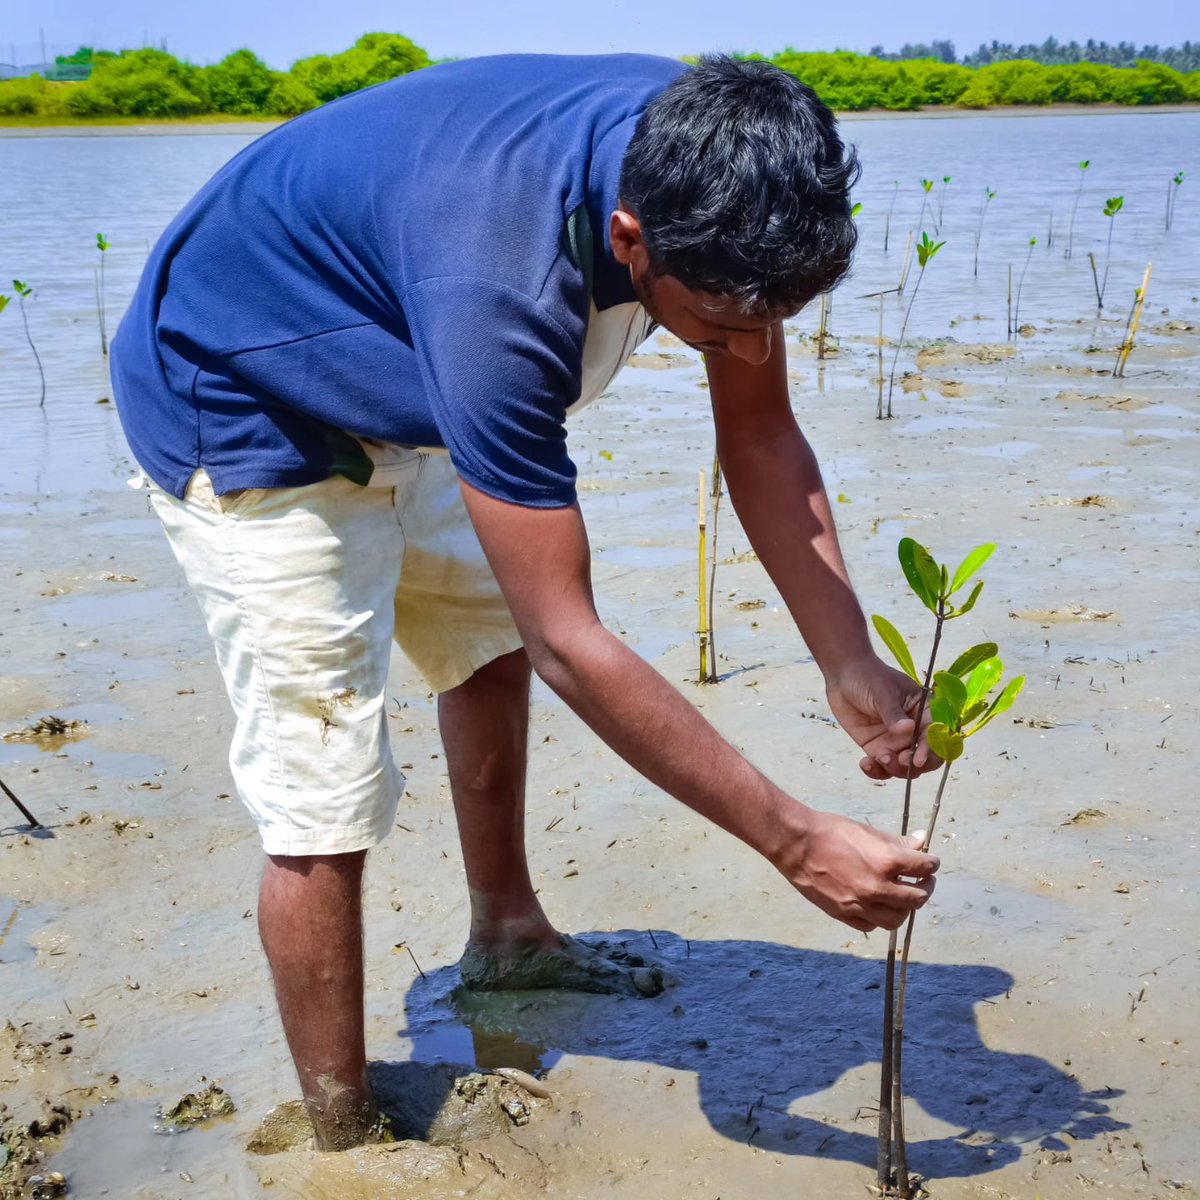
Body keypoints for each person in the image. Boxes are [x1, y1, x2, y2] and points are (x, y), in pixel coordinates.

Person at [111, 52, 940, 1150]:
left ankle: (508, 936)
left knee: (481, 645)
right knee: (322, 789)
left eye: (771, 321)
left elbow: (759, 431)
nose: (746, 350)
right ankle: (341, 1131)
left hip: (405, 359)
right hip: (247, 396)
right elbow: (570, 639)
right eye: (724, 326)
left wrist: (848, 660)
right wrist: (792, 842)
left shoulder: (721, 166)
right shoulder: (497, 286)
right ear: (631, 241)